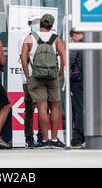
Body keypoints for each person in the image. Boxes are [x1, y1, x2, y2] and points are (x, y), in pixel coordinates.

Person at [20, 14, 66, 148]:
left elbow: (23, 58)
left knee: (42, 107)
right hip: (52, 76)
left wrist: (28, 76)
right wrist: (60, 73)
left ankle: (44, 140)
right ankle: (54, 139)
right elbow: (63, 57)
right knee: (55, 107)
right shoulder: (56, 39)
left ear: (40, 24)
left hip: (36, 76)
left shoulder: (29, 38)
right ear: (51, 25)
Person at [19, 14, 42, 148]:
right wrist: (28, 77)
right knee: (29, 108)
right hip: (29, 78)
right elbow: (23, 59)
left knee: (42, 108)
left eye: (39, 21)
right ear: (30, 23)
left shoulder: (45, 38)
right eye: (35, 22)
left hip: (42, 78)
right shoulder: (25, 38)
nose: (37, 24)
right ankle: (29, 137)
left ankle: (41, 136)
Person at [69, 30, 84, 148]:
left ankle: (77, 139)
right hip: (91, 82)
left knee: (78, 109)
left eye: (73, 36)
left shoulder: (76, 46)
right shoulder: (92, 44)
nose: (73, 39)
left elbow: (69, 62)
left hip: (78, 81)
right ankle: (86, 136)